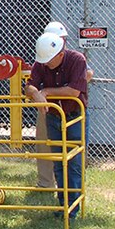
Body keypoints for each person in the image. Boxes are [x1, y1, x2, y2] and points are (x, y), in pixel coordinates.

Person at [24, 32, 88, 218]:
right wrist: (35, 93)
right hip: (53, 117)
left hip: (74, 116)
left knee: (73, 162)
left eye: (49, 60)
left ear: (61, 54)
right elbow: (29, 86)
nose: (45, 64)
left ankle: (72, 209)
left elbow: (74, 91)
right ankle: (63, 206)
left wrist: (46, 91)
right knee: (58, 162)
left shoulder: (77, 60)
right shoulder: (41, 63)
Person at [34, 22, 94, 189]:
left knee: (74, 157)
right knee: (49, 150)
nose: (62, 42)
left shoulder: (73, 58)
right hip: (49, 109)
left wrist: (52, 90)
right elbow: (32, 83)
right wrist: (39, 93)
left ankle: (73, 194)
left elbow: (86, 76)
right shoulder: (45, 56)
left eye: (63, 39)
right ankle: (47, 184)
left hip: (71, 110)